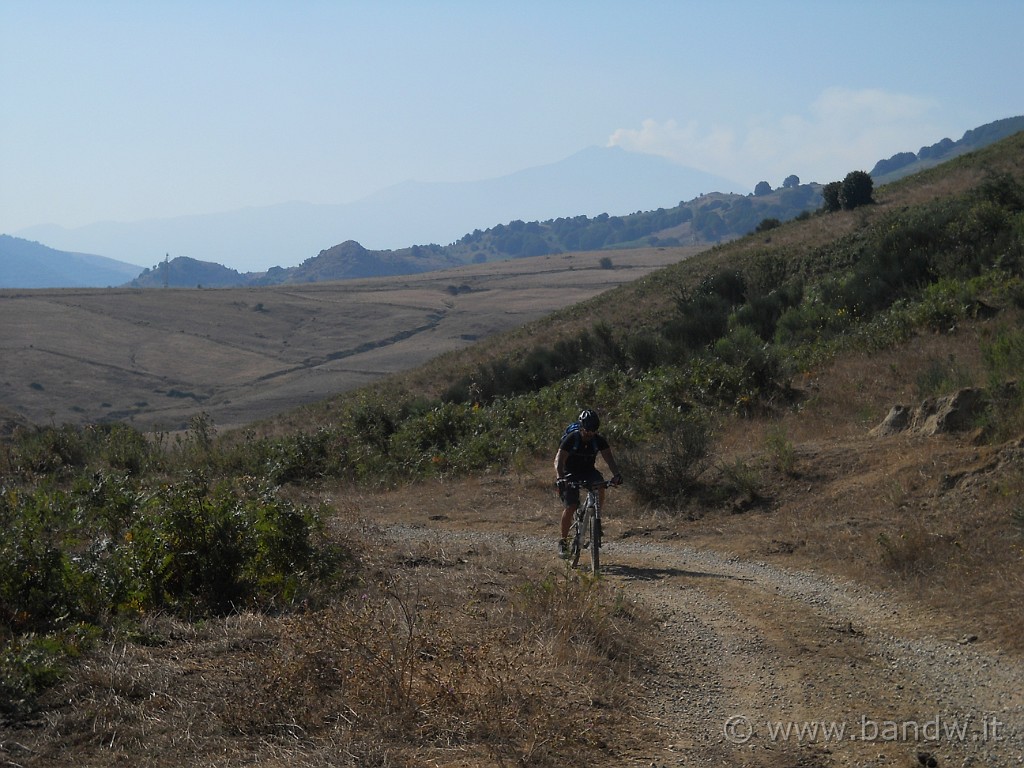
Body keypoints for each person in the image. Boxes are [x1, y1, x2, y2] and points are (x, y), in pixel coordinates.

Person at [554, 408, 622, 556]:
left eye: (594, 430)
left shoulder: (598, 440)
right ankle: (563, 541)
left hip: (588, 471)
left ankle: (596, 518)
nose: (590, 433)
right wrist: (560, 478)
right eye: (588, 430)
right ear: (581, 426)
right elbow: (559, 460)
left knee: (601, 485)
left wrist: (616, 474)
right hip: (569, 473)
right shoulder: (571, 438)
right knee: (571, 506)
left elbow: (609, 458)